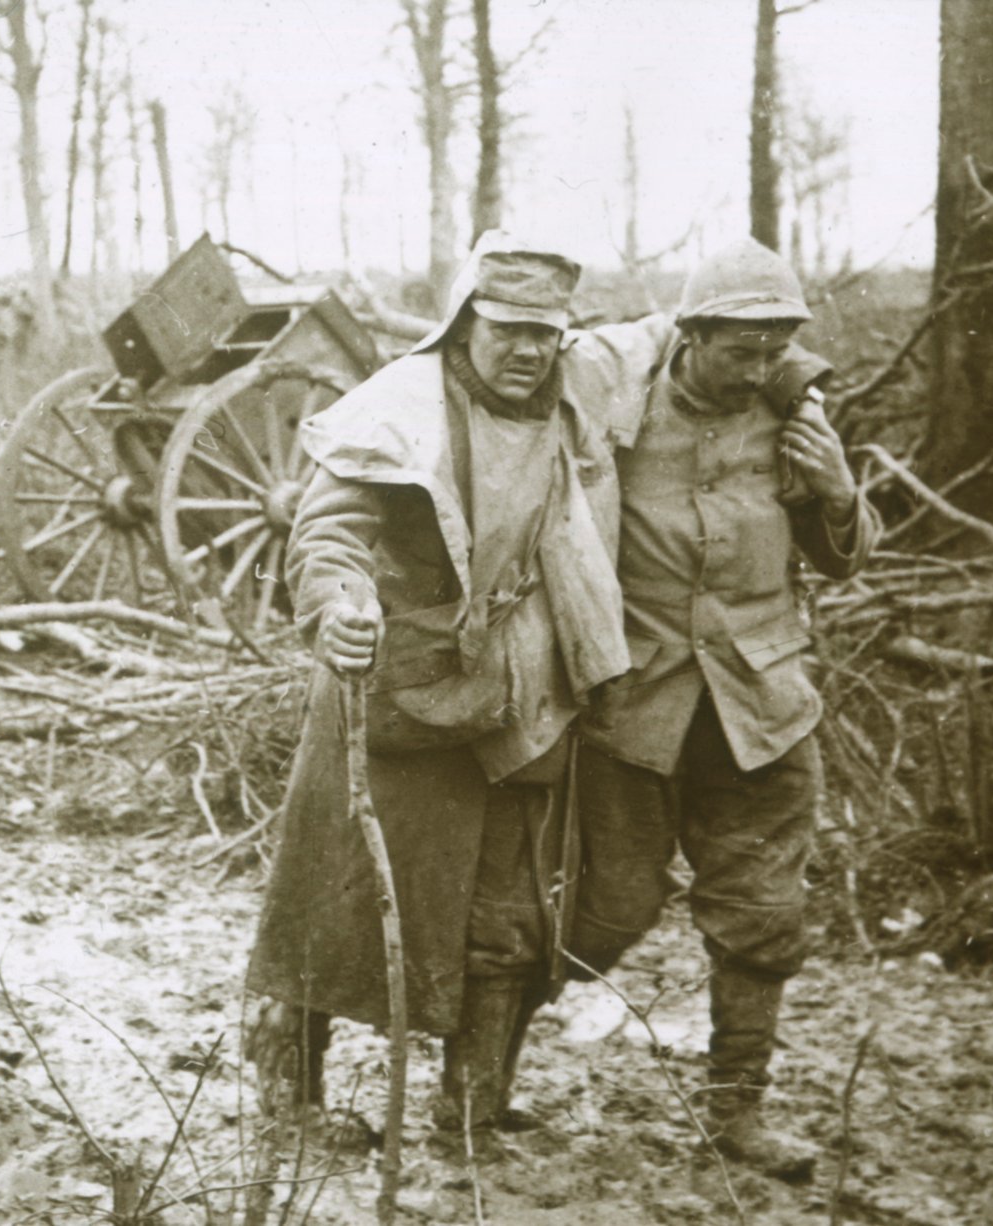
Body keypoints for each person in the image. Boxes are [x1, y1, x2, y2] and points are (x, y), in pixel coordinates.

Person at [246, 232, 630, 1131]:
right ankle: (288, 1092)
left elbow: (669, 345)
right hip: (400, 689)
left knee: (511, 901)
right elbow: (330, 532)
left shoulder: (570, 402)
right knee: (338, 897)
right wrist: (339, 604)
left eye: (546, 333)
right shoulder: (399, 407)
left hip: (526, 688)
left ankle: (472, 1105)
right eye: (508, 330)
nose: (529, 351)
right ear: (465, 322)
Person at [564, 238, 881, 1180]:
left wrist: (836, 487)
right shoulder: (618, 406)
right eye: (740, 348)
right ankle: (481, 1087)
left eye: (775, 346)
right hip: (638, 706)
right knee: (602, 912)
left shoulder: (797, 411)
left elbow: (847, 555)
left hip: (762, 710)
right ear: (690, 335)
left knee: (763, 915)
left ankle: (735, 1115)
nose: (759, 367)